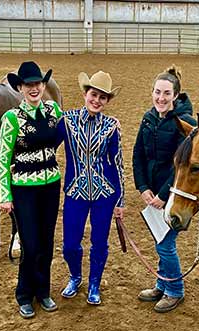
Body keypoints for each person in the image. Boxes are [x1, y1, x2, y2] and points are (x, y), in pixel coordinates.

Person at [0, 61, 63, 319]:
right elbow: (3, 158)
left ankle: (43, 292)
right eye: (28, 85)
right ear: (20, 88)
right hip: (24, 189)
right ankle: (24, 294)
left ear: (43, 85)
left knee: (46, 243)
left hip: (50, 186)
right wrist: (5, 195)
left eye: (37, 83)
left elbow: (66, 133)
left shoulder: (53, 110)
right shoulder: (12, 119)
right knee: (30, 243)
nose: (33, 88)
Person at [57, 70, 125, 305]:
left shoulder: (111, 127)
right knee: (69, 243)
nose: (96, 100)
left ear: (107, 102)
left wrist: (120, 200)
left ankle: (95, 282)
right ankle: (75, 276)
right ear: (85, 94)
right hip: (75, 192)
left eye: (102, 98)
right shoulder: (66, 121)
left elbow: (118, 163)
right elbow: (47, 144)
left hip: (104, 194)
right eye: (93, 95)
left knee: (99, 241)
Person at [132, 65, 196, 313]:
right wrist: (143, 187)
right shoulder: (148, 118)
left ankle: (175, 290)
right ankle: (162, 283)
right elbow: (138, 155)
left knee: (165, 245)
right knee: (160, 240)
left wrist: (162, 194)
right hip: (152, 195)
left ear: (176, 96)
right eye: (157, 92)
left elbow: (181, 165)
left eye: (166, 93)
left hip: (174, 195)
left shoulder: (185, 124)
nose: (160, 98)